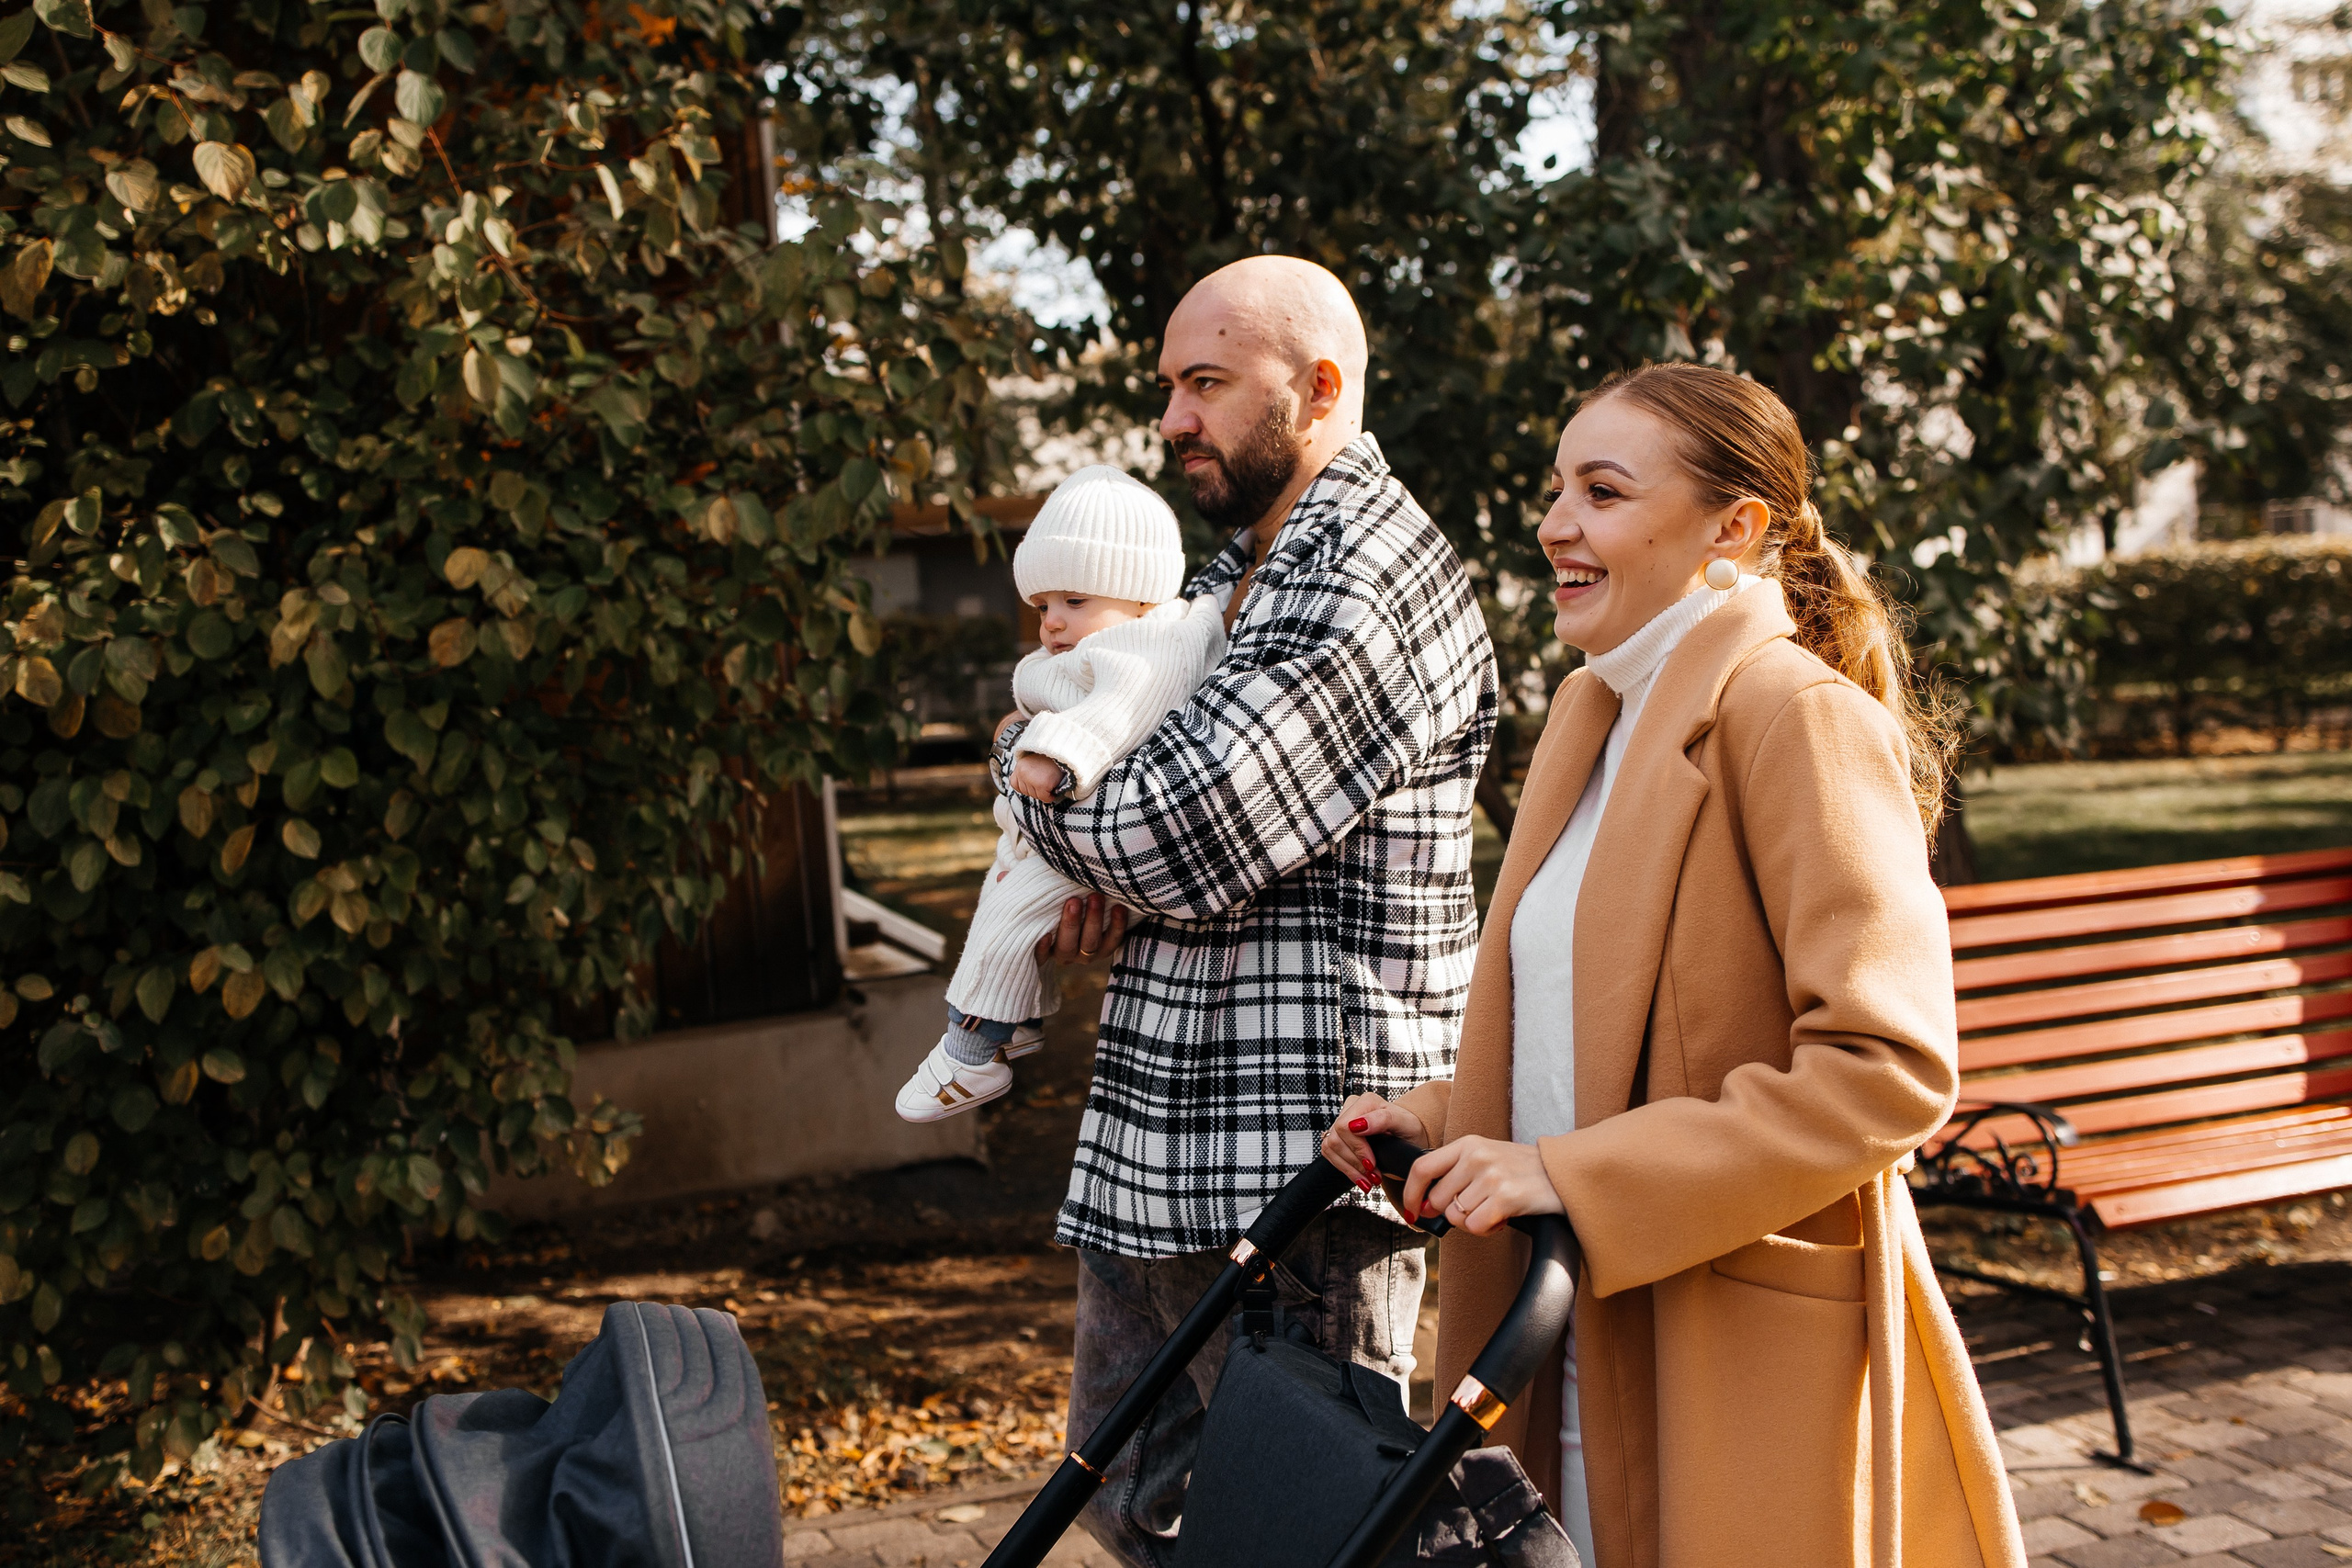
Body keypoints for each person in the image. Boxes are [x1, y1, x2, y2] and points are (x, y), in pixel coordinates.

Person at [1324, 364, 2029, 1568]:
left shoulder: (1794, 714)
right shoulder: (1589, 719)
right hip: (1564, 1335)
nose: (1556, 522)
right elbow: (1592, 1030)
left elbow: (1888, 1066)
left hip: (1722, 1340)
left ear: (1733, 527)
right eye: (1556, 489)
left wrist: (1565, 1172)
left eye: (1602, 490)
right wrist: (1443, 1118)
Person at [994, 254, 1498, 1567]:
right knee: (1129, 1494)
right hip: (1164, 1133)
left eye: (1205, 383)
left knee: (1320, 1529)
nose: (1172, 420)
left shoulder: (1367, 572)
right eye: (1170, 384)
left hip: (1301, 1165)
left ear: (1320, 387)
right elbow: (1128, 807)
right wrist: (1089, 855)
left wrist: (1016, 767)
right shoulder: (1241, 576)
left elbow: (1179, 824)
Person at [895, 467, 1225, 1122]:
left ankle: (971, 1050)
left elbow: (1126, 707)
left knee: (1007, 919)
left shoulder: (1152, 643)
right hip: (1044, 829)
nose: (1051, 622)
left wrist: (1053, 752)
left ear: (1138, 594)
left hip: (1076, 816)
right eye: (1043, 604)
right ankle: (1013, 1025)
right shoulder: (1105, 638)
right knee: (1003, 911)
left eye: (1073, 600)